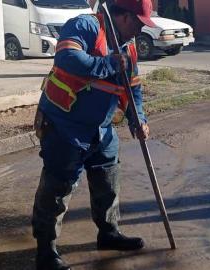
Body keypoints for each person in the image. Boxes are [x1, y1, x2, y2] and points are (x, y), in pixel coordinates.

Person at [31, 0, 155, 269]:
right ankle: (46, 250)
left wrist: (138, 120)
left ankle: (108, 233)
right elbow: (68, 58)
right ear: (122, 16)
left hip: (102, 128)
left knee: (108, 181)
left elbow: (133, 89)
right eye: (137, 22)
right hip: (65, 125)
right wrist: (109, 63)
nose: (139, 30)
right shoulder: (85, 26)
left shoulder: (128, 47)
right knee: (58, 187)